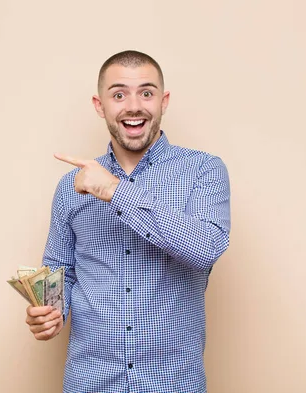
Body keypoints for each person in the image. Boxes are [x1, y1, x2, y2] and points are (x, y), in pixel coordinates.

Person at [25, 50, 231, 393]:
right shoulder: (70, 186)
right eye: (119, 94)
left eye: (146, 93)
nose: (133, 106)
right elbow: (59, 271)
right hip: (90, 381)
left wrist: (114, 191)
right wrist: (50, 313)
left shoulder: (204, 171)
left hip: (173, 383)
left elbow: (207, 248)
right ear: (99, 105)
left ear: (163, 101)